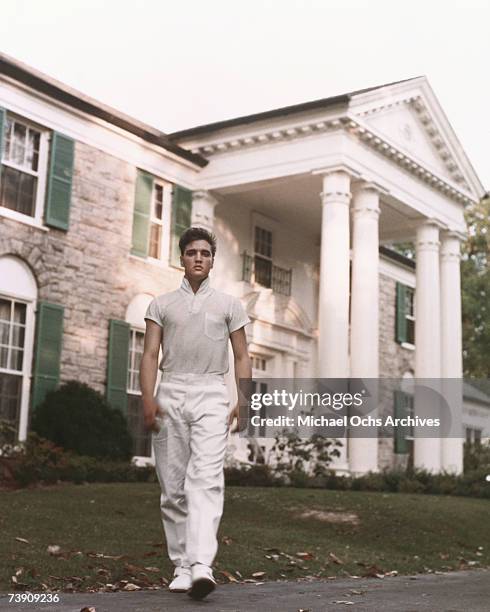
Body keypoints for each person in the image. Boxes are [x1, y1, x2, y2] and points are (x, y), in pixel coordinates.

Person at [139, 226, 252, 600]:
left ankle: (202, 564)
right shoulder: (161, 304)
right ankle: (182, 566)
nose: (198, 258)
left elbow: (241, 356)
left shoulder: (229, 305)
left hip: (210, 393)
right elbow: (150, 354)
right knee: (173, 487)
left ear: (212, 259)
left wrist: (244, 400)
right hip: (170, 390)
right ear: (182, 258)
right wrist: (147, 398)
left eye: (205, 252)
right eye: (191, 253)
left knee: (205, 479)